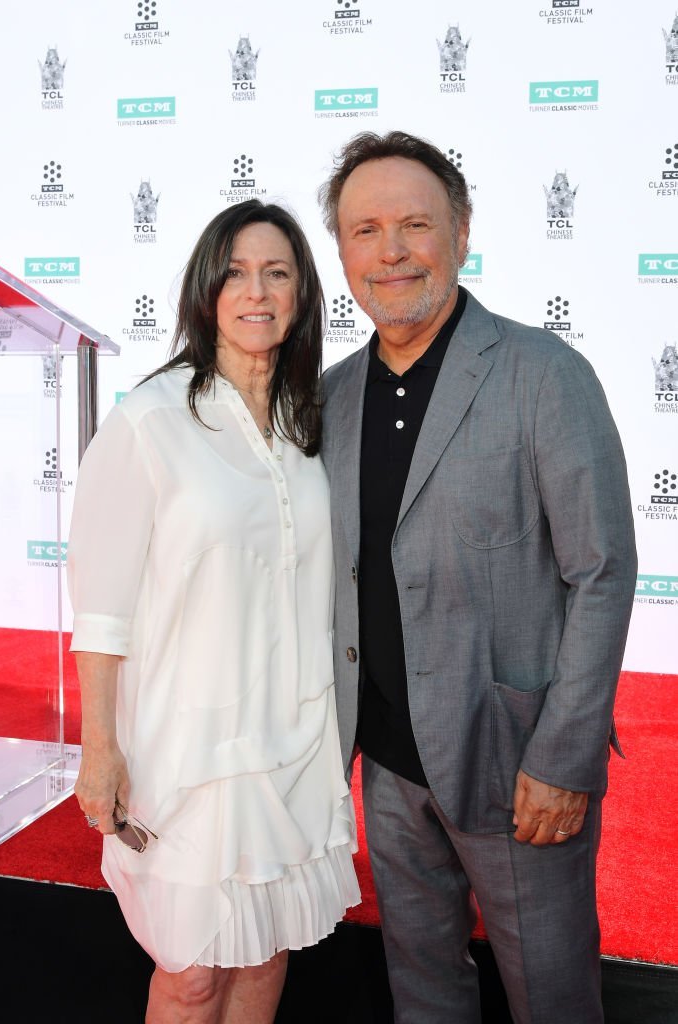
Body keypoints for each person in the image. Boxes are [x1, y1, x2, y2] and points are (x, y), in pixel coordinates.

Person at [317, 131, 637, 1024]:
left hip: (516, 764)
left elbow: (602, 573)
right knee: (421, 992)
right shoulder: (332, 396)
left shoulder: (543, 374)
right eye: (364, 230)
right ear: (340, 252)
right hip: (384, 763)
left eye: (414, 224)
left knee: (553, 997)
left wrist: (565, 757)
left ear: (460, 232)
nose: (390, 251)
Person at [68, 199, 360, 1024]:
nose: (255, 290)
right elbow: (101, 610)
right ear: (205, 291)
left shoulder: (308, 427)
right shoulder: (148, 423)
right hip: (186, 747)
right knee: (191, 971)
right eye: (234, 272)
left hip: (294, 740)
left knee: (267, 954)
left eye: (277, 272)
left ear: (302, 294)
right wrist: (101, 751)